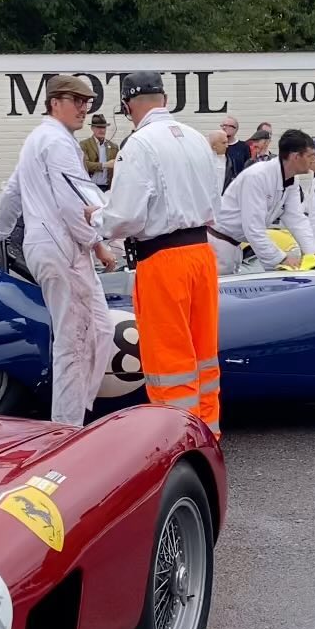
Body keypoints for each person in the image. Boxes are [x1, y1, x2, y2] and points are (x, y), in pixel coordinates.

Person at [99, 69, 223, 432]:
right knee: (203, 358)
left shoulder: (138, 145)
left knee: (170, 362)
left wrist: (96, 220)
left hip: (163, 260)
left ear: (127, 106)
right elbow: (214, 203)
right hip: (201, 254)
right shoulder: (197, 139)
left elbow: (124, 218)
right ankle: (208, 435)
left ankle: (175, 442)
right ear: (165, 100)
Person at [11, 73, 116, 427]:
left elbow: (12, 192)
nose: (84, 109)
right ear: (55, 102)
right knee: (77, 340)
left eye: (86, 103)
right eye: (77, 101)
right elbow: (76, 204)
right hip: (63, 246)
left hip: (50, 245)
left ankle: (75, 416)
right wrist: (99, 242)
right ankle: (67, 428)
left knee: (98, 331)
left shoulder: (35, 140)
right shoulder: (57, 143)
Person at [209, 128, 315, 274]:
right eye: (310, 155)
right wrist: (281, 259)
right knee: (220, 294)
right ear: (295, 157)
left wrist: (312, 253)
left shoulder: (292, 179)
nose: (313, 160)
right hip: (218, 245)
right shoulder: (257, 176)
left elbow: (295, 218)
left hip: (234, 245)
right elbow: (253, 228)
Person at [80, 113, 118, 191]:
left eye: (104, 127)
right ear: (92, 128)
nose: (102, 130)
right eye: (98, 127)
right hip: (90, 187)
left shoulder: (114, 146)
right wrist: (105, 165)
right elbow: (85, 165)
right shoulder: (85, 144)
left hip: (107, 188)